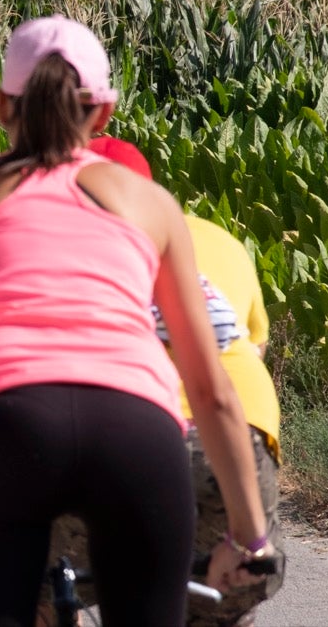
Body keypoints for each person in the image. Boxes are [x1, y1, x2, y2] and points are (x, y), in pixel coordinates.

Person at [0, 15, 273, 625]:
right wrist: (250, 538)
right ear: (103, 113)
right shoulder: (151, 204)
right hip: (137, 431)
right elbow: (210, 388)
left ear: (2, 106)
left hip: (5, 426)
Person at [42, 138, 285, 627]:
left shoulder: (62, 248)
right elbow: (254, 347)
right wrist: (251, 539)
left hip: (118, 439)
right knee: (223, 597)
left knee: (44, 589)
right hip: (232, 441)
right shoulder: (215, 237)